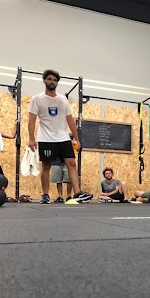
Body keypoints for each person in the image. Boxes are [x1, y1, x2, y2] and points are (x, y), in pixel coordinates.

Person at [28, 69, 93, 204]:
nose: (52, 82)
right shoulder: (37, 99)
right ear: (44, 80)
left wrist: (76, 138)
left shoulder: (63, 99)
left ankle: (77, 193)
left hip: (63, 138)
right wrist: (31, 139)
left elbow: (70, 120)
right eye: (49, 79)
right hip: (46, 138)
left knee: (72, 163)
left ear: (57, 83)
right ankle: (45, 195)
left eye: (55, 80)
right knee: (46, 166)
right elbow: (32, 120)